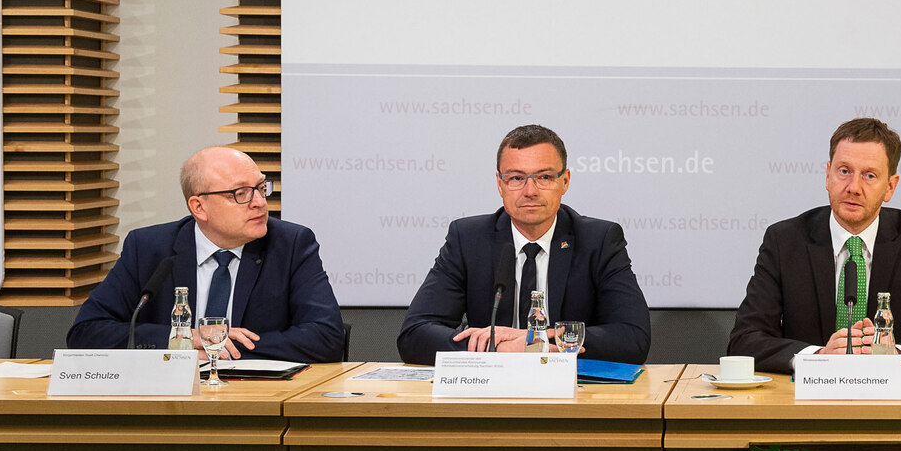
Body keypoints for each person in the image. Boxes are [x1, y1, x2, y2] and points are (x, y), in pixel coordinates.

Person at [728, 117, 901, 373]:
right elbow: (745, 340)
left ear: (890, 187)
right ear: (828, 175)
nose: (853, 188)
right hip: (807, 404)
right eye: (844, 171)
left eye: (869, 176)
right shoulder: (785, 240)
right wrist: (817, 356)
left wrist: (897, 355)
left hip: (895, 404)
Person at [397, 124, 650, 364]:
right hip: (489, 395)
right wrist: (498, 348)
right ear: (500, 184)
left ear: (565, 181)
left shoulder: (599, 240)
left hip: (573, 394)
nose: (530, 191)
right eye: (517, 178)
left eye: (544, 177)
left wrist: (537, 342)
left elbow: (633, 337)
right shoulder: (468, 239)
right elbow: (414, 335)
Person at [67, 146, 345, 361]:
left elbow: (327, 337)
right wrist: (183, 340)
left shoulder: (291, 244)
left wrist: (219, 346)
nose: (259, 202)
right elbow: (86, 332)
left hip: (257, 398)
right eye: (241, 193)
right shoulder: (149, 248)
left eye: (261, 188)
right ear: (199, 207)